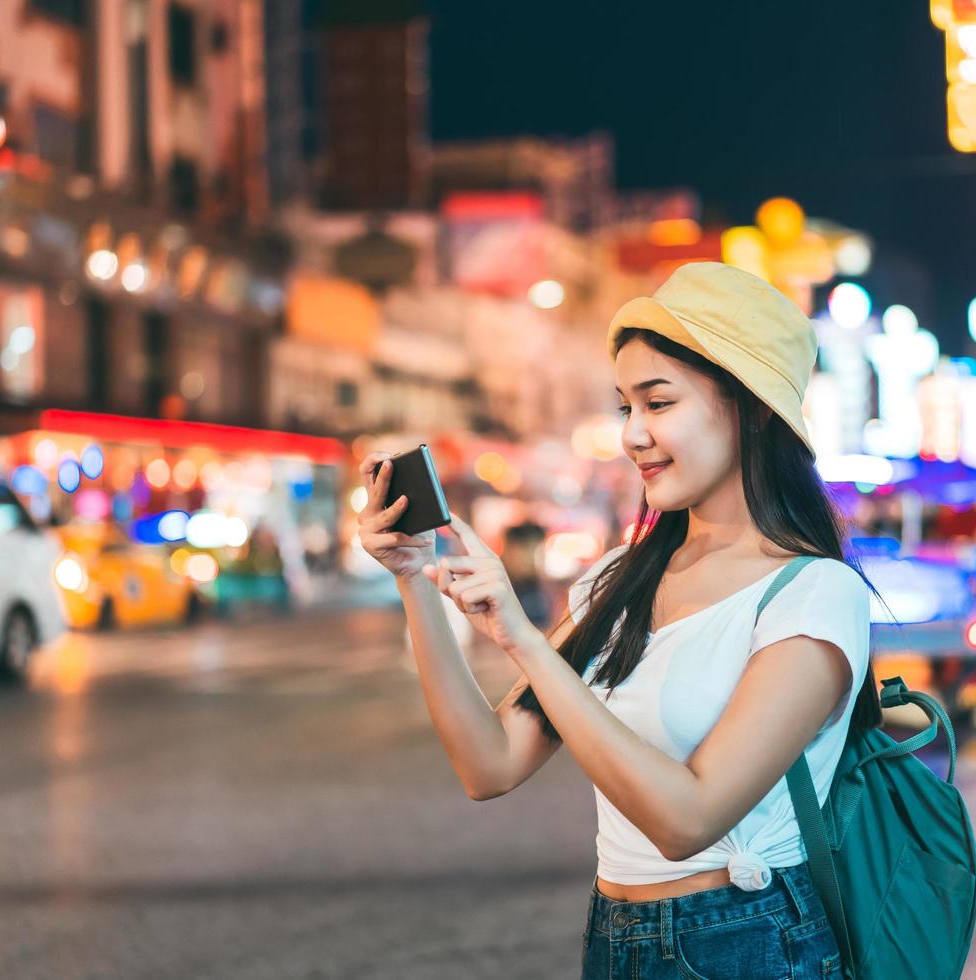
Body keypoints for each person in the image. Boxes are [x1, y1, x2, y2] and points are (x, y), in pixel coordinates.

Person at [358, 262, 879, 978]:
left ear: (753, 408)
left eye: (659, 403)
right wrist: (413, 577)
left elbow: (687, 819)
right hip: (615, 940)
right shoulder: (616, 582)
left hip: (750, 944)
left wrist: (521, 640)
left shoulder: (813, 595)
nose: (633, 435)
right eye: (625, 407)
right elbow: (489, 765)